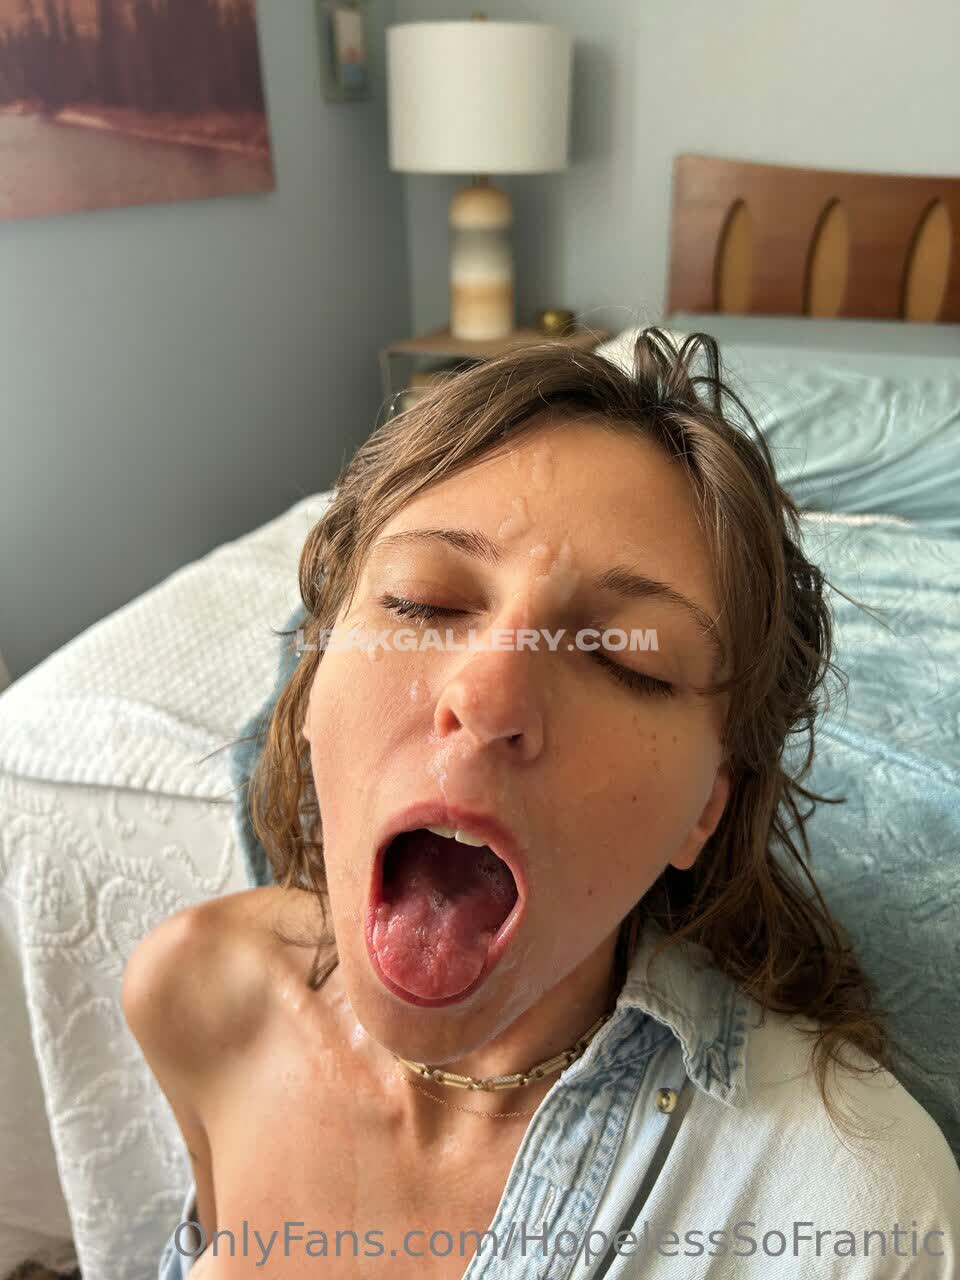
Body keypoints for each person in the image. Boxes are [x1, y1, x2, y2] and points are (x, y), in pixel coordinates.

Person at [123, 330, 960, 1279]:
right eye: (423, 603)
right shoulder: (194, 992)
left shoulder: (850, 1210)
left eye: (625, 659)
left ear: (707, 809)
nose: (486, 699)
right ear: (312, 677)